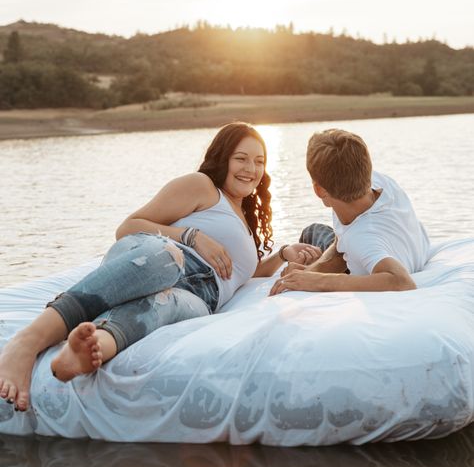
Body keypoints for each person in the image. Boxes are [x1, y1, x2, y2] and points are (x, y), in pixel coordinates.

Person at [0, 122, 321, 412]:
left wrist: (282, 254)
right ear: (222, 157)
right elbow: (128, 227)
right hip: (155, 258)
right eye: (241, 158)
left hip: (202, 296)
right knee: (169, 260)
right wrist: (191, 237)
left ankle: (92, 347)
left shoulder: (245, 218)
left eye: (259, 161)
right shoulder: (202, 187)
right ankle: (27, 342)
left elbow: (239, 275)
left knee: (165, 305)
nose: (251, 168)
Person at [270, 128, 430, 296]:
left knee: (310, 234)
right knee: (316, 231)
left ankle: (310, 265)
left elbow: (402, 282)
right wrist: (311, 271)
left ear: (319, 190)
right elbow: (343, 240)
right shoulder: (381, 181)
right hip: (394, 242)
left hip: (369, 248)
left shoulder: (361, 238)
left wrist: (316, 280)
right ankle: (311, 265)